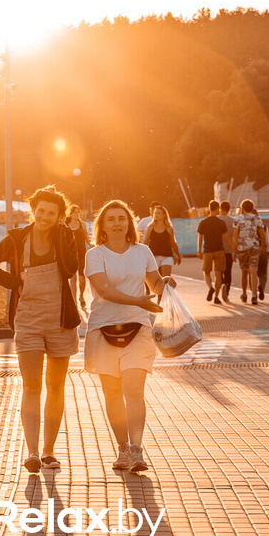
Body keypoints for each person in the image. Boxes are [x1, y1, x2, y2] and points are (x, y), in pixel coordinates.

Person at [0, 186, 80, 473]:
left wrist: (66, 235)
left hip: (60, 319)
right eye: (41, 210)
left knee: (56, 386)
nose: (45, 216)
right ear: (32, 209)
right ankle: (33, 451)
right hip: (28, 319)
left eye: (52, 212)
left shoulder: (64, 236)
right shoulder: (16, 238)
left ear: (60, 216)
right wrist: (16, 283)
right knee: (32, 385)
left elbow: (72, 269)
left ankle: (49, 451)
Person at [84, 200, 176, 472]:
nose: (116, 223)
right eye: (110, 218)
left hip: (137, 327)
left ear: (130, 223)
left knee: (133, 390)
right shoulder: (95, 255)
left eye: (121, 218)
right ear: (102, 225)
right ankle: (122, 448)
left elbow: (155, 284)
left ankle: (137, 451)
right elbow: (104, 291)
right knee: (112, 393)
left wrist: (165, 284)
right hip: (103, 328)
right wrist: (139, 301)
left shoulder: (142, 251)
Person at [196, 200, 233, 305]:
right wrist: (232, 249)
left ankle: (210, 287)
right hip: (220, 250)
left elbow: (200, 238)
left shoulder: (203, 222)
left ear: (209, 208)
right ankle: (216, 297)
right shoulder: (221, 222)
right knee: (218, 274)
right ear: (217, 209)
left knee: (206, 272)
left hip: (207, 250)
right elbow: (226, 239)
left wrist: (199, 250)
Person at [230, 199, 266, 305]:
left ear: (242, 208)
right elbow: (262, 234)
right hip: (254, 247)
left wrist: (233, 251)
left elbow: (235, 236)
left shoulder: (237, 219)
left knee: (244, 272)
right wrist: (262, 246)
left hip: (242, 248)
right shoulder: (257, 218)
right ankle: (254, 296)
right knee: (253, 271)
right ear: (252, 208)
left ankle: (244, 294)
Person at [143, 204, 182, 280]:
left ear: (164, 215)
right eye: (155, 213)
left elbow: (172, 242)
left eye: (158, 213)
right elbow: (146, 242)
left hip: (166, 256)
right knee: (156, 281)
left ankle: (166, 292)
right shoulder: (150, 227)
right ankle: (158, 292)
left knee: (166, 279)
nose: (156, 215)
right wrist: (142, 255)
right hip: (154, 256)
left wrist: (178, 254)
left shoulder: (169, 228)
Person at [66, 205, 90, 309]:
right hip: (70, 253)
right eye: (75, 212)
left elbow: (87, 238)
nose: (77, 214)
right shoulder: (66, 225)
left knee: (81, 276)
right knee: (72, 277)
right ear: (70, 214)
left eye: (78, 212)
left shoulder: (82, 224)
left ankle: (81, 296)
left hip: (81, 252)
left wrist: (93, 244)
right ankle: (74, 301)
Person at [217, 201, 238, 302]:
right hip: (229, 250)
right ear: (229, 209)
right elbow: (235, 237)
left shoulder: (216, 219)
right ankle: (227, 290)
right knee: (228, 271)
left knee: (219, 272)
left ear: (220, 208)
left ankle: (221, 286)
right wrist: (234, 250)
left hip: (218, 249)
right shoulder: (233, 220)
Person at [257, 221, 269, 300]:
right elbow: (267, 240)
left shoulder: (248, 225)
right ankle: (261, 287)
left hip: (252, 251)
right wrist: (268, 251)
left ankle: (254, 294)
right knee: (263, 273)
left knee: (252, 273)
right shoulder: (264, 226)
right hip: (263, 251)